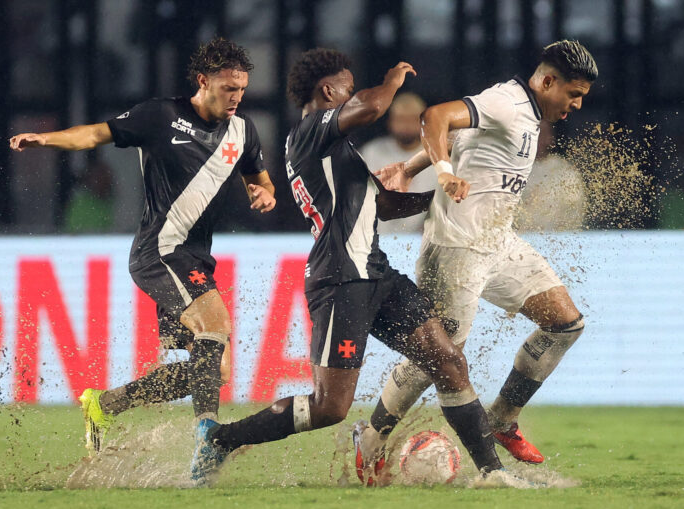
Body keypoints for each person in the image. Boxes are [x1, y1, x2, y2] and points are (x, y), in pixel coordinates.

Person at [202, 48, 521, 486]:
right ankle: (220, 440)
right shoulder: (312, 131)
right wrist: (392, 80)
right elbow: (373, 106)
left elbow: (384, 205)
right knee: (329, 407)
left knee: (447, 360)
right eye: (348, 90)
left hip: (376, 274)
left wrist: (447, 200)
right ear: (329, 90)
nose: (356, 97)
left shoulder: (335, 150)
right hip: (340, 280)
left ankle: (492, 474)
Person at [9, 38, 276, 483]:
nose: (236, 97)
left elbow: (258, 178)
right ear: (203, 81)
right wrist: (46, 139)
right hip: (160, 250)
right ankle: (207, 435)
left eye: (242, 89)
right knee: (217, 327)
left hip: (196, 257)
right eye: (228, 88)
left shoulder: (243, 131)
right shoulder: (161, 115)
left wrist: (262, 192)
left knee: (215, 367)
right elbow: (95, 133)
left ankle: (103, 405)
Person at [356, 40, 597, 477]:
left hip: (498, 243)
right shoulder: (506, 101)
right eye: (573, 94)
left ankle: (503, 416)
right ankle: (371, 436)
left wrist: (409, 170)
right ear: (547, 81)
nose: (577, 104)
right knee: (440, 358)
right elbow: (435, 117)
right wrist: (443, 174)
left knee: (565, 323)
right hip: (456, 250)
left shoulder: (522, 112)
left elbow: (458, 134)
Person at [360, 92, 437, 233]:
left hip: (424, 240)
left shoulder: (437, 155)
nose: (406, 125)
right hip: (376, 239)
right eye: (401, 119)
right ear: (390, 121)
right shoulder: (371, 152)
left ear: (423, 122)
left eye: (412, 119)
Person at [516, 121, 586, 232]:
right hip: (520, 237)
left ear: (550, 138)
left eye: (541, 134)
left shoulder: (564, 171)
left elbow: (574, 209)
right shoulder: (516, 168)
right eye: (532, 134)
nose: (536, 139)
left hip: (556, 237)